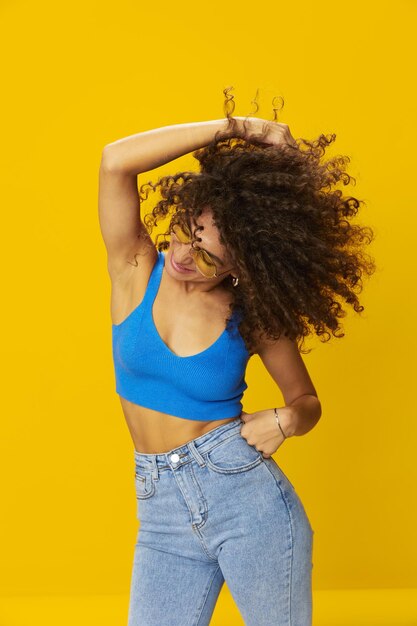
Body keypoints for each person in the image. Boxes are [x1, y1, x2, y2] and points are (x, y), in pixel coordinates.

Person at [98, 90, 376, 625]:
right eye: (185, 233)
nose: (182, 255)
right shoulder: (135, 267)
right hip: (159, 509)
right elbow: (114, 161)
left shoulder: (252, 314)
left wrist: (288, 419)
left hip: (248, 501)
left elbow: (306, 400)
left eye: (206, 255)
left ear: (238, 267)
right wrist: (236, 128)